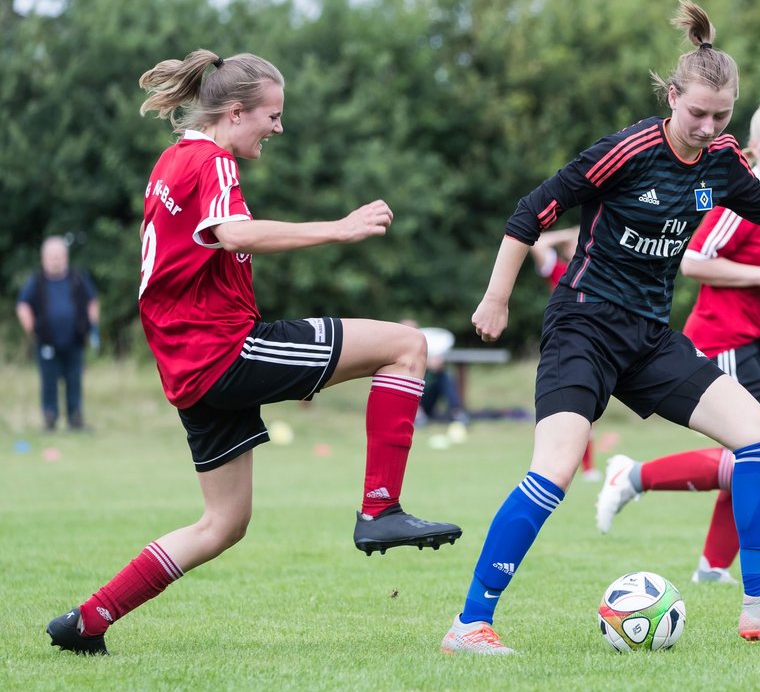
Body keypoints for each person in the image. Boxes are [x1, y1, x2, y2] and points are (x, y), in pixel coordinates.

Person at [440, 0, 760, 655]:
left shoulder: (722, 162)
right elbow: (533, 210)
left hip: (648, 337)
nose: (706, 127)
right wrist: (497, 296)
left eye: (720, 116)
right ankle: (470, 623)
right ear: (672, 96)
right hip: (585, 325)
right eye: (696, 112)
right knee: (556, 468)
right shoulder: (628, 150)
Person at [45, 49, 462, 656]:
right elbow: (232, 233)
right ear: (235, 112)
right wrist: (339, 228)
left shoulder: (172, 160)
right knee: (406, 345)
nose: (279, 127)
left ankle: (87, 621)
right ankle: (380, 508)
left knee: (223, 524)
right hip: (224, 351)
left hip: (189, 368)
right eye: (272, 115)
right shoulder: (209, 161)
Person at [593, 100, 760, 585]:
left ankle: (711, 567)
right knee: (758, 450)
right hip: (721, 340)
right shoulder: (743, 200)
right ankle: (632, 476)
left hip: (752, 343)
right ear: (755, 147)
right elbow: (695, 261)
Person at [529, 227, 602, 480]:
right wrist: (568, 234)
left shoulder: (597, 272)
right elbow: (536, 243)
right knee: (571, 409)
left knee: (589, 413)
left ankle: (588, 468)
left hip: (596, 343)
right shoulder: (560, 270)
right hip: (568, 343)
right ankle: (560, 469)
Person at [15, 235, 100, 431]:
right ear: (44, 258)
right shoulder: (36, 281)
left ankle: (75, 419)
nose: (55, 260)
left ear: (65, 256)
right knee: (49, 382)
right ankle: (50, 419)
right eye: (51, 256)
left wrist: (92, 327)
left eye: (59, 255)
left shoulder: (77, 278)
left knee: (74, 381)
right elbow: (22, 305)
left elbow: (92, 301)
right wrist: (31, 329)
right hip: (47, 342)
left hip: (75, 340)